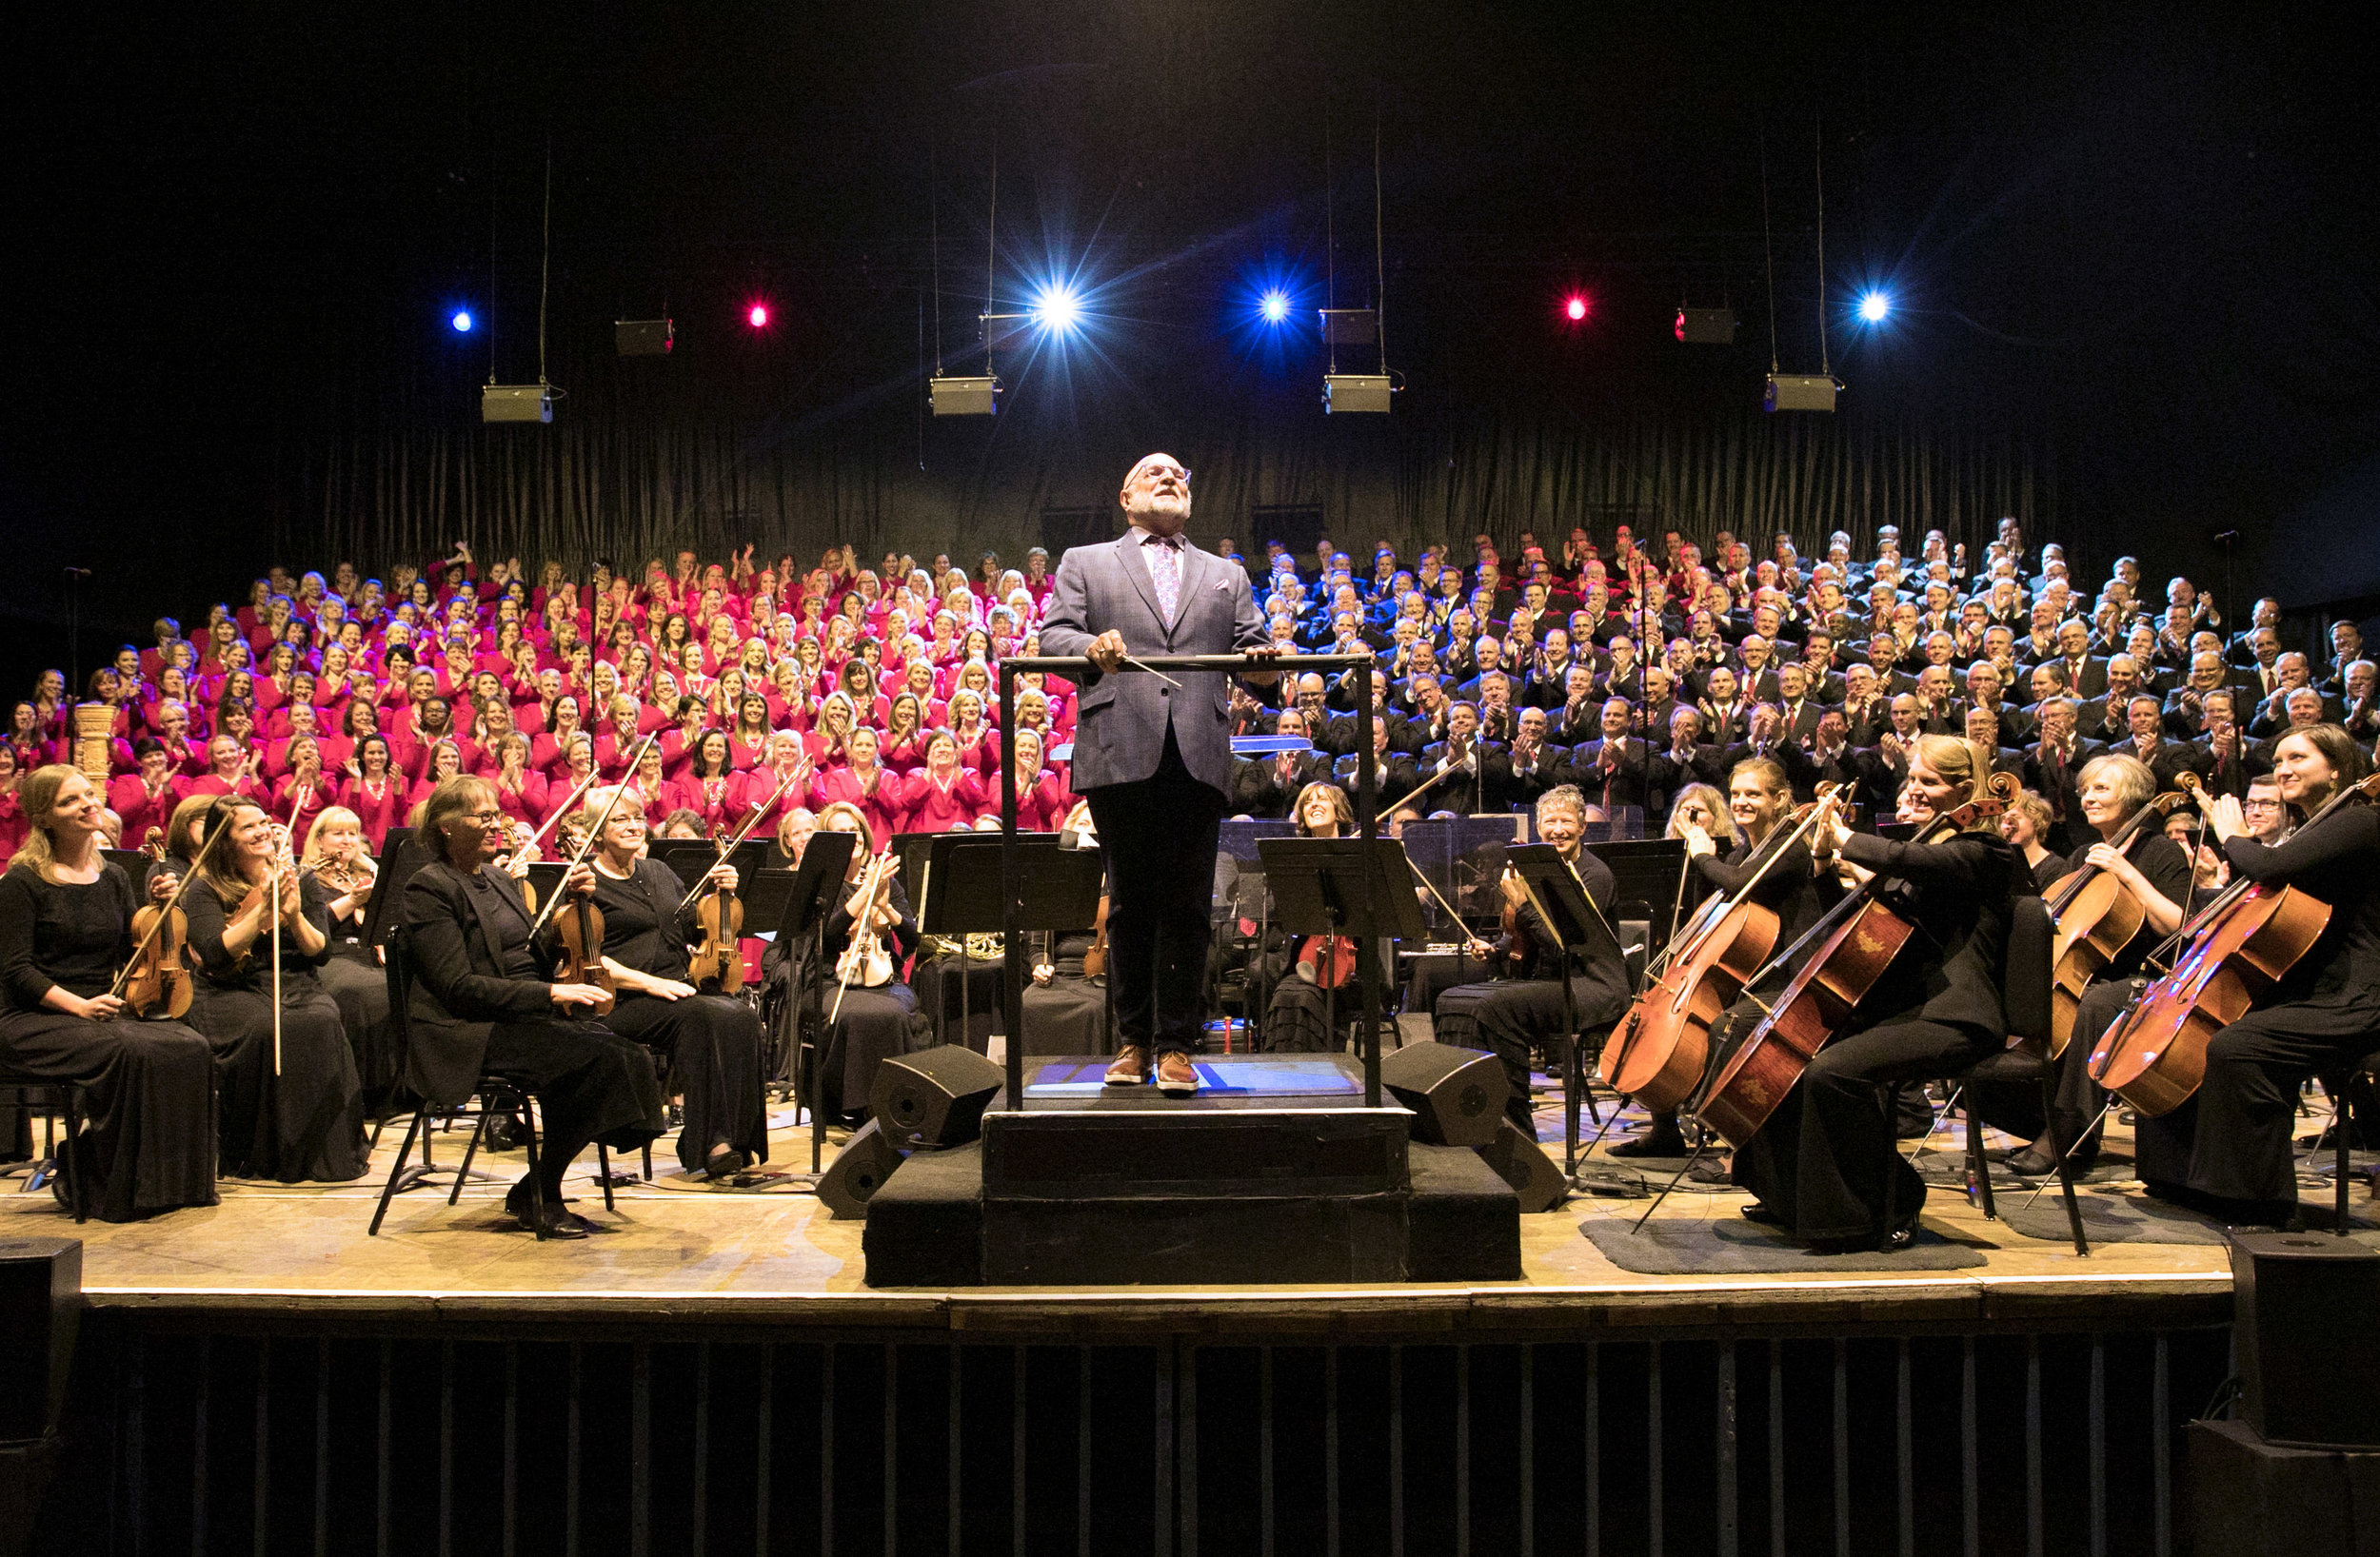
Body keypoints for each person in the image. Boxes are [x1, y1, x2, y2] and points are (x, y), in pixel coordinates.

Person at [1038, 452, 1278, 1095]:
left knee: (1189, 908)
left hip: (1197, 754)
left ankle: (1177, 1045)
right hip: (1121, 749)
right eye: (1154, 473)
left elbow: (1258, 655)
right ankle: (1133, 1041)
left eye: (1181, 476)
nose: (1171, 478)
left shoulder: (1225, 573)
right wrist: (1088, 647)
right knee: (1131, 906)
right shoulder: (1085, 562)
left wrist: (1263, 663)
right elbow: (1054, 635)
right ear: (1125, 495)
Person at [1730, 737, 2019, 1252]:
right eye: (1912, 780)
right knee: (1782, 1061)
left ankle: (1896, 1199)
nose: (1917, 790)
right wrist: (1822, 863)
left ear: (1966, 788)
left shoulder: (1988, 852)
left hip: (1956, 1018)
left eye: (1929, 781)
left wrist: (1845, 835)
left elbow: (1914, 861)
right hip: (1906, 1009)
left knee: (1831, 1073)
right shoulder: (1930, 855)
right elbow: (1853, 920)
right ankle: (1794, 1198)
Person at [2132, 724, 2380, 1226]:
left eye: (2297, 759)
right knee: (2195, 1033)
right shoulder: (2316, 827)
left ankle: (2261, 1201)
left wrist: (2234, 837)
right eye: (2279, 759)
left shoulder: (2360, 822)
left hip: (2361, 994)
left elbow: (2267, 868)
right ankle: (2178, 1176)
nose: (2283, 768)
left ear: (2336, 768)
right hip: (2315, 985)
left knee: (2239, 1047)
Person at [399, 776, 665, 1238]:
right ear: (445, 827)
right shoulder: (430, 888)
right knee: (596, 1060)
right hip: (469, 1028)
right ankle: (542, 1190)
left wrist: (572, 907)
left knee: (624, 1051)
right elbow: (457, 987)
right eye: (482, 816)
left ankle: (539, 1186)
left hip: (524, 1016)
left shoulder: (500, 880)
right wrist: (550, 994)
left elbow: (531, 953)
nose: (495, 824)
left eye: (495, 815)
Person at [0, 765, 220, 1220]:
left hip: (99, 1009)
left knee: (190, 1045)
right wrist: (79, 1006)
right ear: (44, 817)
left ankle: (172, 1185)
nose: (87, 804)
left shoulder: (114, 876)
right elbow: (17, 971)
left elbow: (132, 952)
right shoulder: (21, 882)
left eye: (87, 794)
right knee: (129, 1050)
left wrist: (160, 909)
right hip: (32, 1017)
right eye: (70, 801)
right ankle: (91, 1174)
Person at [1976, 754, 2192, 1175]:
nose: (2088, 798)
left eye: (2101, 789)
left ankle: (2066, 1130)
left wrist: (2127, 873)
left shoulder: (2160, 851)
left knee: (2094, 1005)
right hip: (2083, 973)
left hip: (2142, 978)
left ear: (2130, 797)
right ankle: (2056, 1124)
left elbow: (2179, 927)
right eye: (2086, 790)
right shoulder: (2081, 856)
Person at [577, 794, 771, 1179]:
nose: (634, 825)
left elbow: (688, 927)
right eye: (620, 820)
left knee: (742, 1017)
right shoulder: (587, 883)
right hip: (624, 999)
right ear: (597, 832)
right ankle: (711, 1143)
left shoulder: (659, 872)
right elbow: (590, 958)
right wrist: (650, 983)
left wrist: (723, 895)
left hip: (677, 988)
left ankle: (737, 1139)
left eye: (637, 817)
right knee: (702, 1017)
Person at [182, 797, 369, 1181]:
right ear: (224, 839)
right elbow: (214, 953)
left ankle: (321, 1151)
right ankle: (262, 1153)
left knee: (321, 1020)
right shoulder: (205, 889)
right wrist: (260, 915)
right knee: (265, 1029)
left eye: (263, 822)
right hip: (231, 987)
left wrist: (294, 914)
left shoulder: (297, 879)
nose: (262, 831)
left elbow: (319, 952)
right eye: (248, 827)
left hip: (295, 980)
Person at [1432, 785, 1631, 1133]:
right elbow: (1527, 935)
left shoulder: (1594, 876)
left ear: (1583, 827)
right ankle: (1468, 1119)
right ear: (1538, 828)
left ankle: (1515, 1130)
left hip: (1592, 984)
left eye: (1566, 821)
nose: (1558, 829)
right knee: (1453, 999)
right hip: (1551, 980)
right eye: (1550, 821)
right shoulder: (1539, 867)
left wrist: (1523, 902)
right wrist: (1496, 949)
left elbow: (1565, 947)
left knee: (1496, 1007)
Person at [810, 801, 922, 1122]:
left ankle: (898, 1102)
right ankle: (859, 1106)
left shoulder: (886, 881)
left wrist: (886, 908)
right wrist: (865, 893)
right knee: (858, 1014)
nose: (852, 837)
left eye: (855, 830)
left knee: (894, 1009)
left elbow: (913, 938)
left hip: (885, 978)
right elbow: (827, 935)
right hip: (834, 980)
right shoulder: (822, 884)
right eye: (841, 832)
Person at [1260, 781, 1361, 1052]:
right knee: (1286, 993)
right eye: (1307, 801)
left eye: (1322, 799)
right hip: (1309, 956)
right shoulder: (1296, 859)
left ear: (1339, 811)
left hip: (1354, 962)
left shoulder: (1358, 855)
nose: (1314, 804)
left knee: (1303, 995)